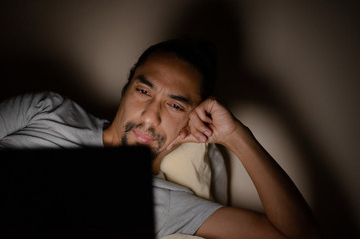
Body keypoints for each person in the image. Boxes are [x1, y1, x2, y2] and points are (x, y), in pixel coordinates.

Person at [0, 39, 322, 239]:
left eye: (174, 105)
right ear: (126, 90)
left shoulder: (166, 204)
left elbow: (300, 234)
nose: (151, 116)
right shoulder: (47, 109)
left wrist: (237, 136)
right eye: (143, 91)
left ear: (192, 119)